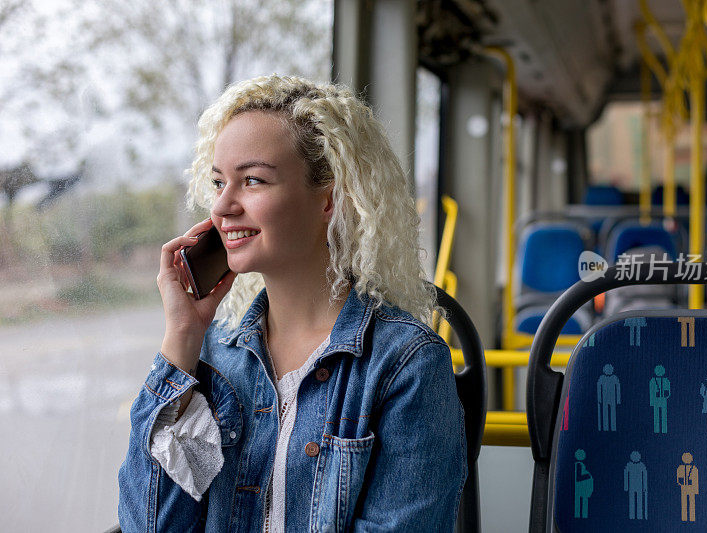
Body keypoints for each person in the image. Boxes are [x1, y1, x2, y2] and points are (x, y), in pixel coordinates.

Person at [118, 75, 467, 532]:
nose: (222, 206)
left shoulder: (405, 366)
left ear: (329, 198)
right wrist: (181, 339)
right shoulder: (209, 357)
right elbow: (149, 526)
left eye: (253, 180)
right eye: (219, 181)